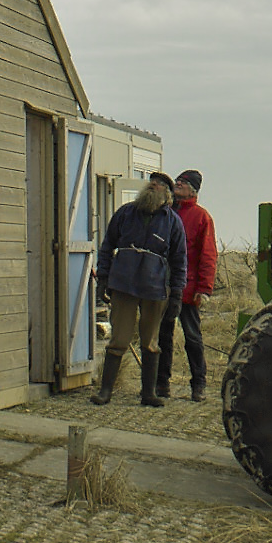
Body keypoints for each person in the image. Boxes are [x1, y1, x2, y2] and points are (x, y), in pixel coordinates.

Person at [93, 170, 187, 406]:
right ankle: (106, 391)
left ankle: (148, 394)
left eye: (159, 184)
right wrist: (103, 277)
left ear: (167, 194)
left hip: (155, 288)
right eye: (151, 182)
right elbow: (107, 245)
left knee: (150, 342)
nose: (153, 185)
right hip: (123, 284)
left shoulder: (173, 222)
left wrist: (176, 293)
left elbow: (179, 261)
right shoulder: (126, 213)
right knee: (119, 339)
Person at [151, 168, 217, 402]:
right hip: (163, 287)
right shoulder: (165, 213)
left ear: (193, 190)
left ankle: (198, 384)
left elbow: (208, 255)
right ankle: (161, 384)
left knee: (192, 337)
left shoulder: (201, 217)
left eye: (184, 182)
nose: (178, 183)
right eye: (177, 180)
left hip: (188, 290)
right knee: (163, 337)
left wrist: (204, 289)